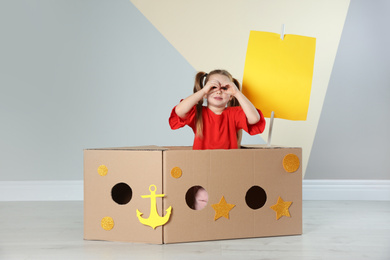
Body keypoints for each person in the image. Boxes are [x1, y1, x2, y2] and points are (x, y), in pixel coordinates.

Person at [169, 69, 266, 150]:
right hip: (201, 164)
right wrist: (203, 91)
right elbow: (179, 111)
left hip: (228, 166)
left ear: (230, 96)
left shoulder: (234, 114)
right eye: (213, 87)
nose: (218, 92)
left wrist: (236, 92)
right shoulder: (198, 112)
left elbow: (254, 119)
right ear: (206, 93)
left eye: (224, 88)